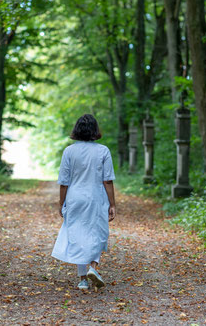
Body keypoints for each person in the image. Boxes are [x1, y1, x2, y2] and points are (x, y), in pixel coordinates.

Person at [51, 114, 116, 291]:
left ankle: (82, 280)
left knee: (78, 235)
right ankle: (93, 267)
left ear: (76, 130)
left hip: (75, 197)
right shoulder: (103, 151)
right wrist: (112, 204)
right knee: (98, 232)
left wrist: (61, 202)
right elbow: (108, 180)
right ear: (95, 130)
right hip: (96, 197)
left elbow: (64, 181)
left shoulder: (69, 151)